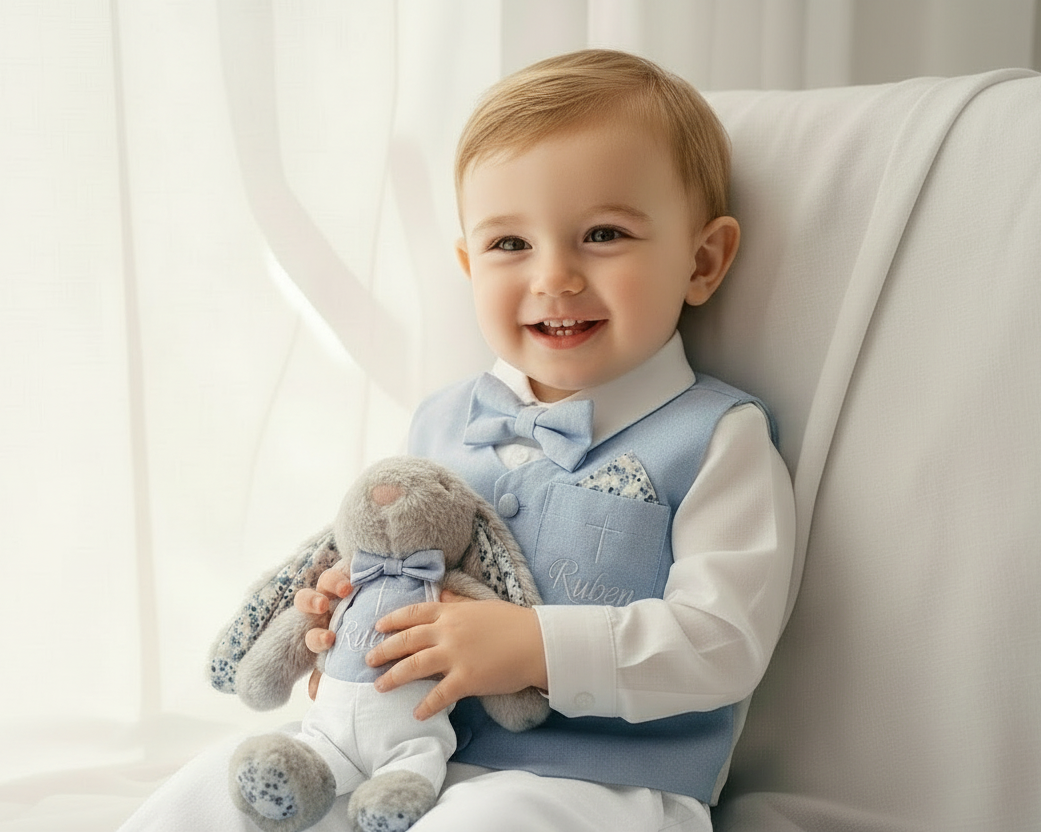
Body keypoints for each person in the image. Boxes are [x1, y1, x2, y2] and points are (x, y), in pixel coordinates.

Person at [120, 48, 794, 832]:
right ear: (470, 264)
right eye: (511, 245)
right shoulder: (440, 420)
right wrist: (346, 622)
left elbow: (722, 642)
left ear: (702, 261)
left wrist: (535, 647)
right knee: (208, 792)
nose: (555, 276)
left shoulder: (717, 439)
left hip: (593, 787)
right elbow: (400, 557)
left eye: (604, 234)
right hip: (400, 758)